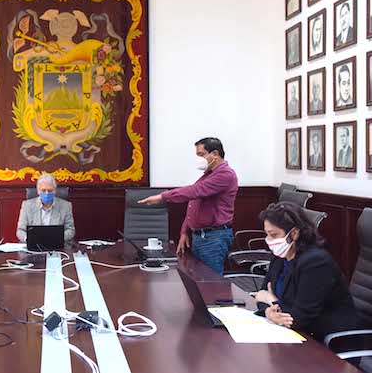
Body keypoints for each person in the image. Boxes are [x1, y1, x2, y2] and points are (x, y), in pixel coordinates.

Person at [254, 202, 359, 342]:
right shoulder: (280, 256)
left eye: (274, 235)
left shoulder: (316, 262)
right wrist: (268, 311)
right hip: (292, 333)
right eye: (267, 234)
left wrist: (270, 300)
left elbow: (298, 318)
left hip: (325, 340)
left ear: (294, 233)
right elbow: (261, 294)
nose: (269, 240)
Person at [138, 138, 238, 275]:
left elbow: (194, 191)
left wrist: (162, 196)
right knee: (199, 279)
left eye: (201, 155)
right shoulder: (208, 175)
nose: (198, 159)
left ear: (215, 154)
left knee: (211, 281)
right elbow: (194, 204)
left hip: (214, 237)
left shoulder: (225, 174)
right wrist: (184, 231)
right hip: (201, 236)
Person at [16, 173, 75, 243]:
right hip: (34, 245)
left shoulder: (66, 206)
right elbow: (20, 230)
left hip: (56, 245)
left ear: (55, 191)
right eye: (43, 190)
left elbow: (70, 230)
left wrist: (57, 238)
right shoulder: (27, 206)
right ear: (38, 191)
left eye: (50, 190)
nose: (47, 193)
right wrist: (29, 239)